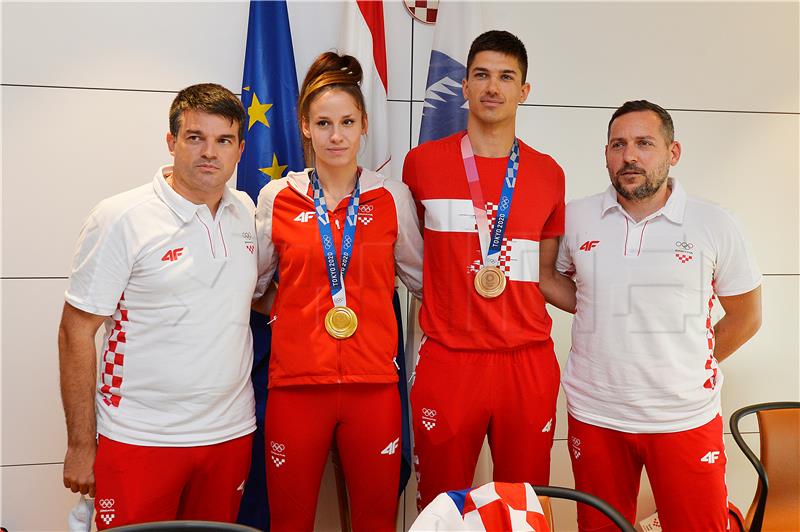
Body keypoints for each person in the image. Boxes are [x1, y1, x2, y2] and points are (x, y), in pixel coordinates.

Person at [556, 100, 762, 531]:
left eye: (644, 143)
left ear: (673, 152)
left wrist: (687, 365)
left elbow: (746, 317)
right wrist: (600, 307)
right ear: (607, 154)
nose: (629, 156)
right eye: (618, 144)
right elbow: (552, 280)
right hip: (596, 415)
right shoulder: (576, 217)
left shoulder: (714, 223)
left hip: (683, 417)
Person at [58, 83, 257, 529]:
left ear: (240, 149)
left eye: (223, 140)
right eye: (194, 137)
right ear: (171, 142)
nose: (210, 152)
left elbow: (252, 297)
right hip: (139, 436)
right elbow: (76, 331)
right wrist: (80, 444)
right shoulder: (121, 216)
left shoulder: (245, 211)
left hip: (229, 434)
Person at [402, 30, 574, 510]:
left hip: (527, 359)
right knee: (441, 506)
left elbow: (546, 271)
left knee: (522, 506)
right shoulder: (421, 165)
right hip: (450, 358)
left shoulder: (548, 173)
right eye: (481, 75)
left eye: (506, 76)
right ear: (464, 85)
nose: (492, 87)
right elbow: (411, 256)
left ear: (524, 91)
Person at [254, 52, 423, 531]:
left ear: (364, 125)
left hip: (373, 387)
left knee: (375, 522)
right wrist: (295, 313)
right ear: (305, 127)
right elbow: (256, 285)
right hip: (296, 387)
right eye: (323, 123)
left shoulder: (390, 196)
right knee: (290, 521)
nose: (336, 135)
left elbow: (421, 278)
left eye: (347, 122)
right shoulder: (278, 197)